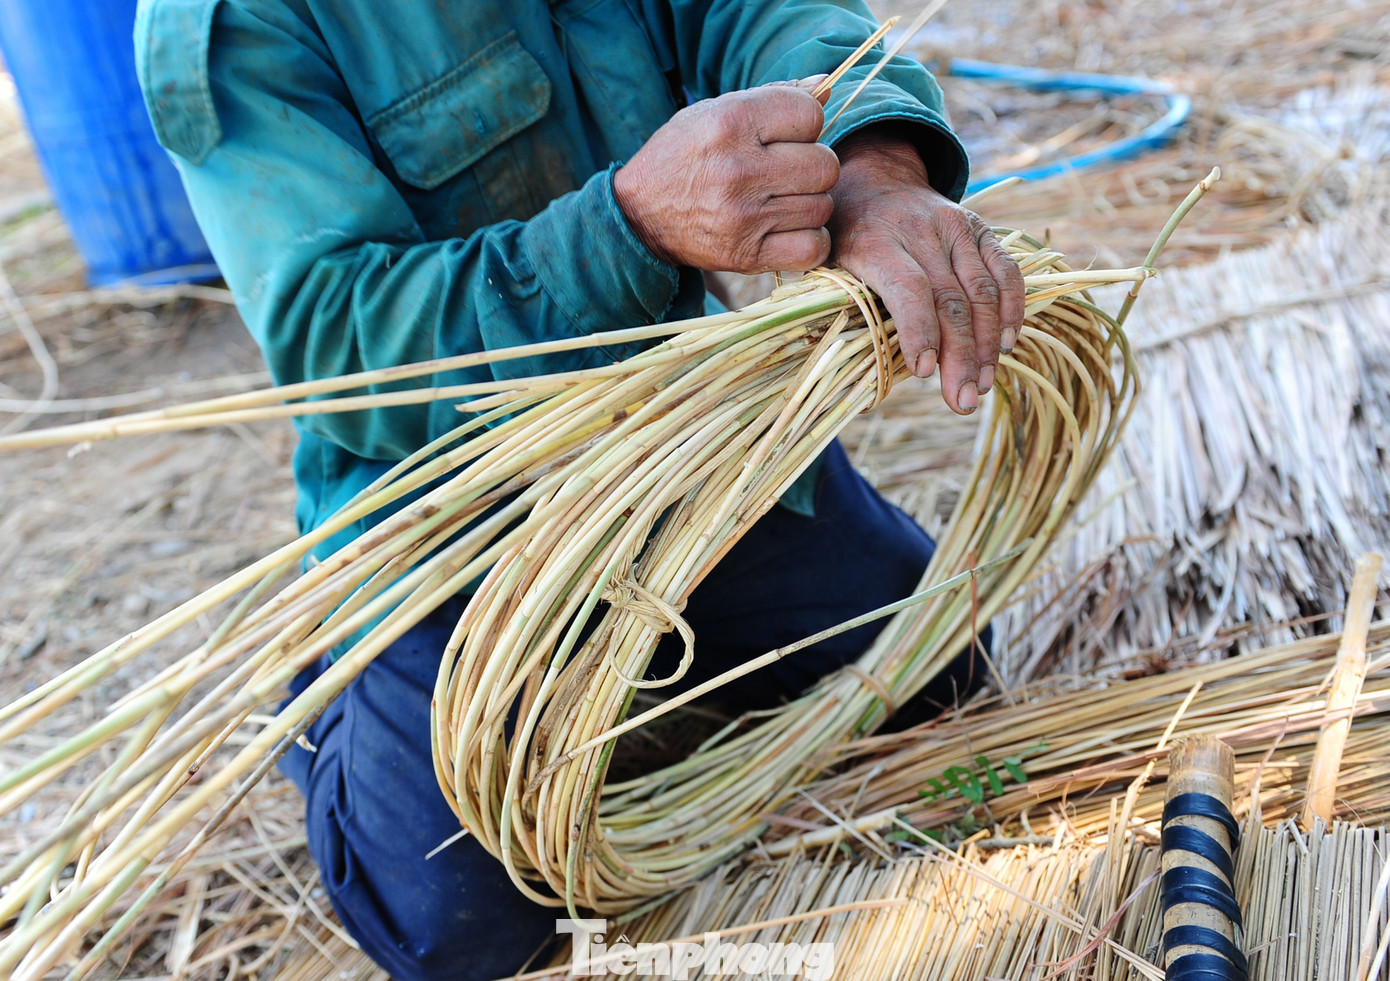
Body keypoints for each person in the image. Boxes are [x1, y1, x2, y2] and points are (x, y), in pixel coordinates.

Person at [136, 1, 1024, 977]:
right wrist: (629, 229)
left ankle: (647, 657)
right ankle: (332, 694)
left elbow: (775, 15)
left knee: (935, 683)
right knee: (456, 923)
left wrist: (869, 174)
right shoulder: (240, 20)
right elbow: (337, 343)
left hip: (679, 433)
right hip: (447, 500)